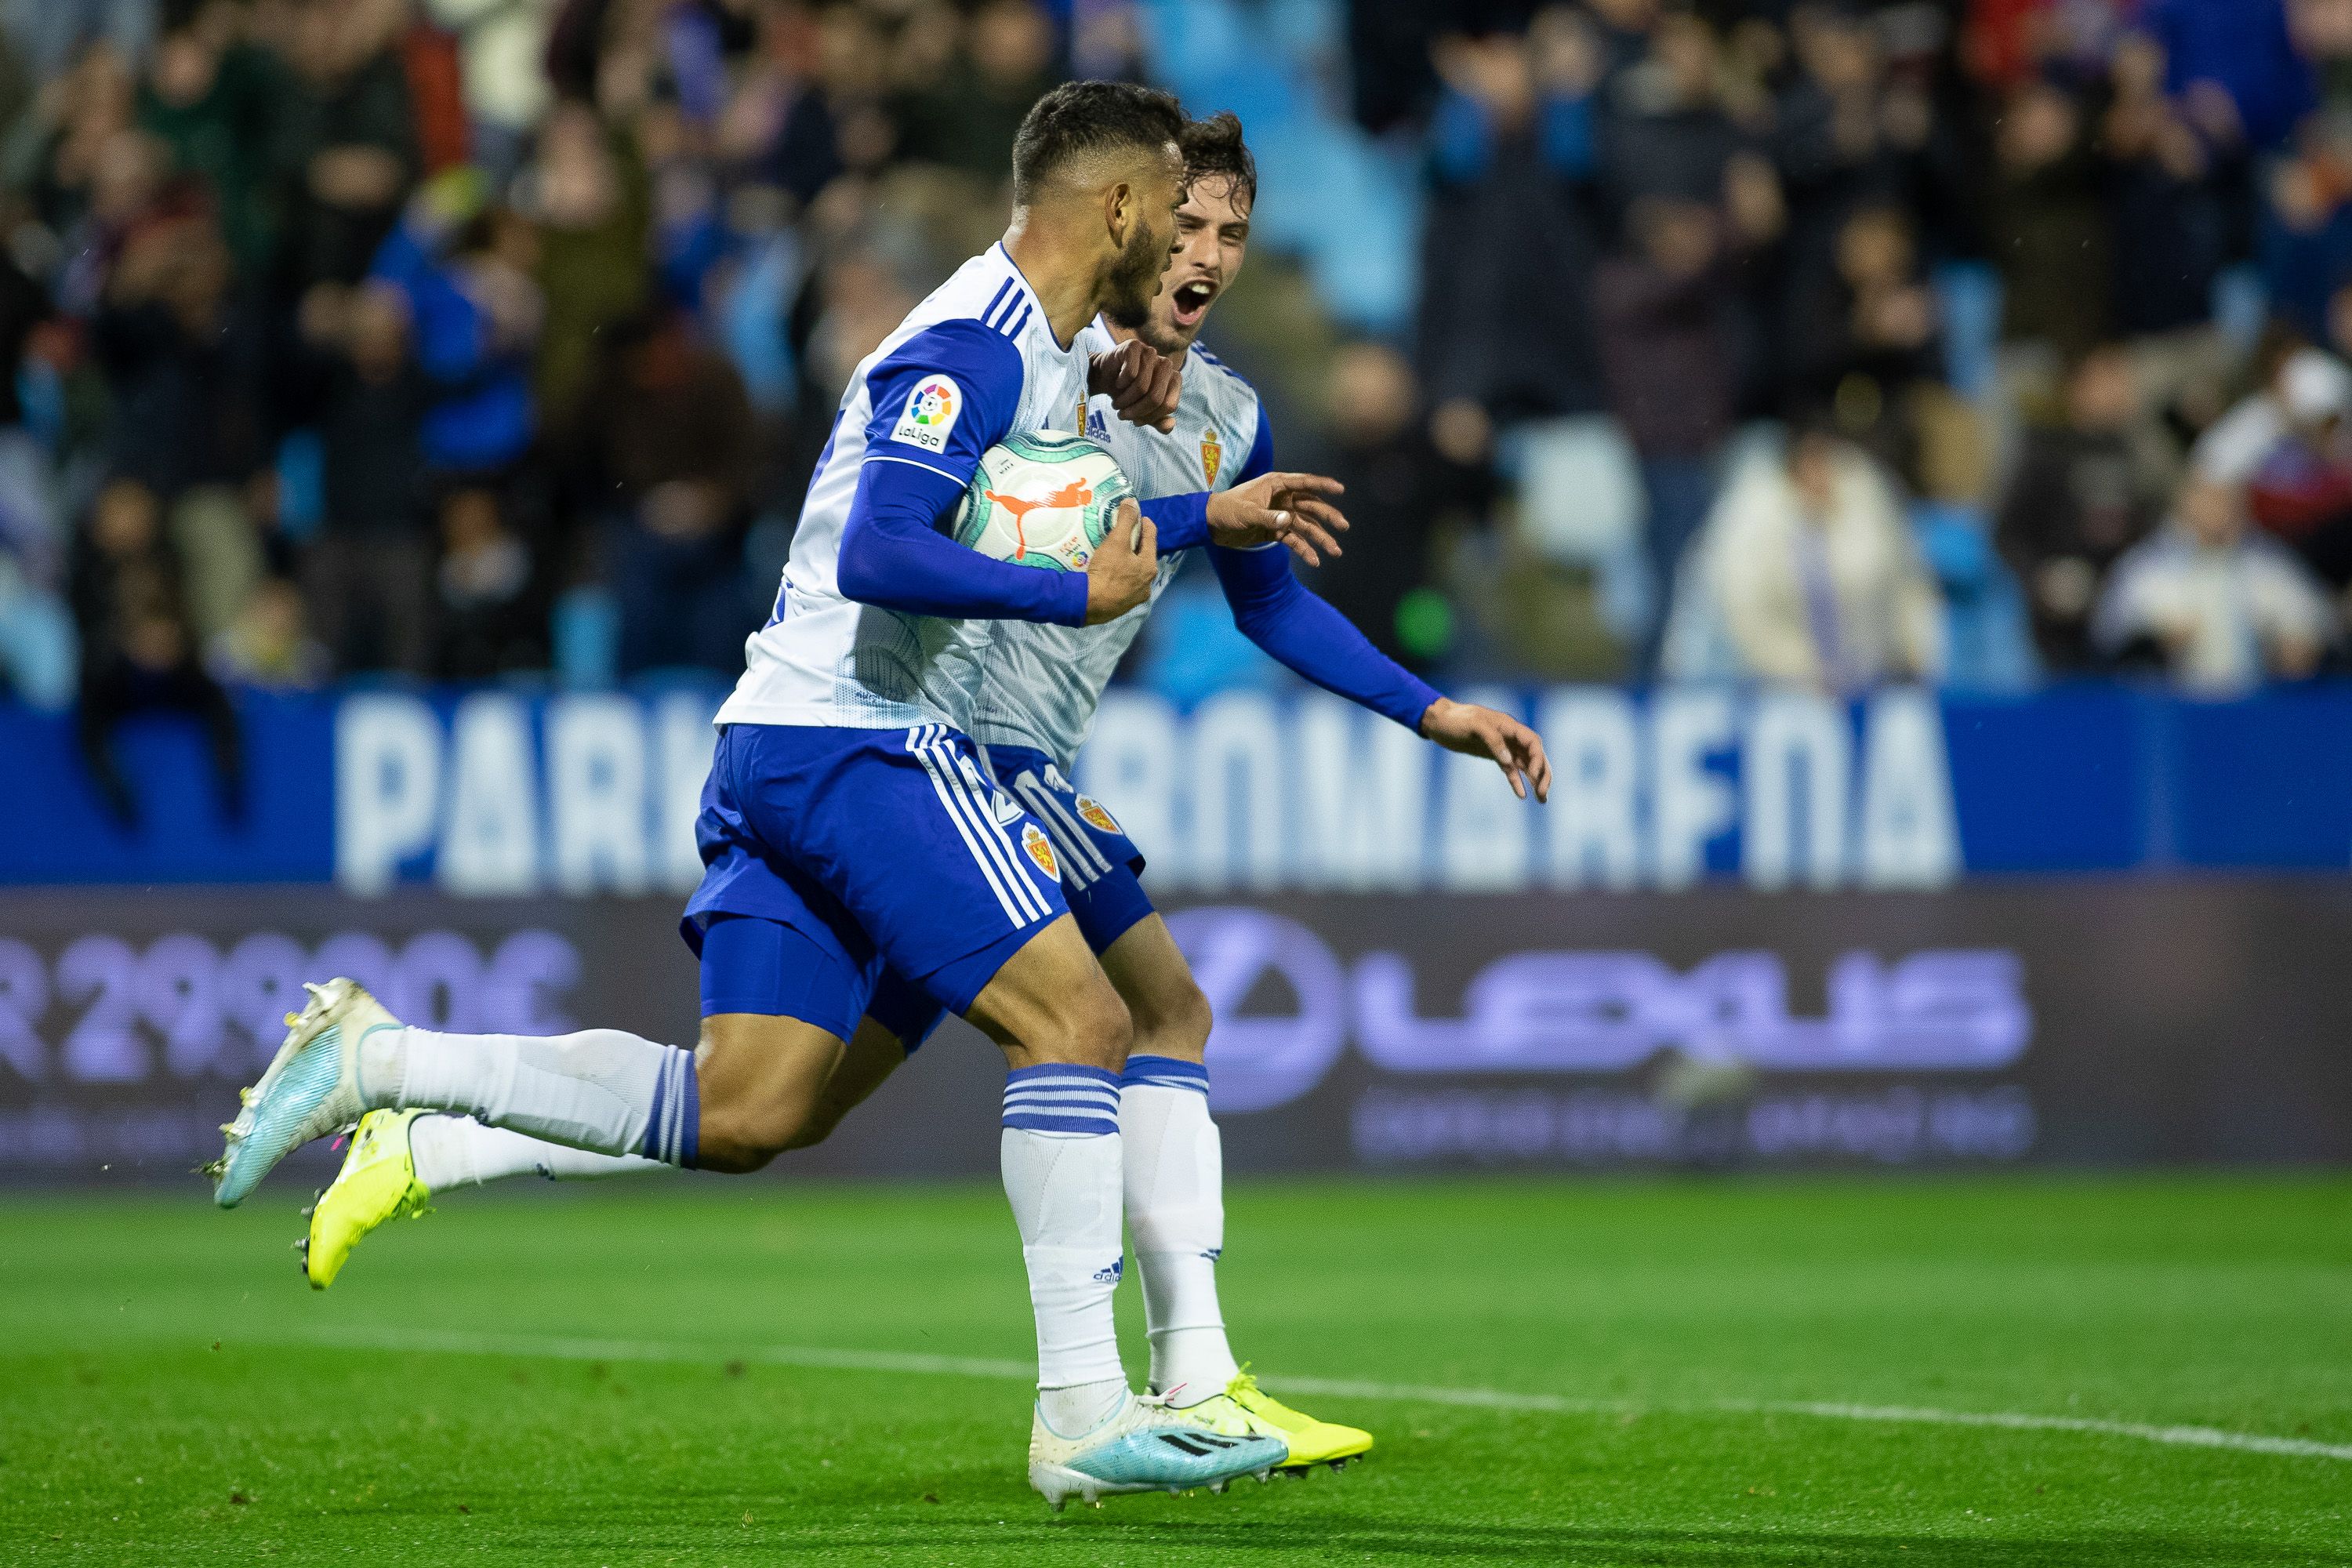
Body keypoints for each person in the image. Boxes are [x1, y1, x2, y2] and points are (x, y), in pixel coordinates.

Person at [212, 82, 1352, 1509]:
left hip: (782, 739)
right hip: (864, 743)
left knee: (751, 1113)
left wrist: (1192, 511)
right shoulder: (974, 345)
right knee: (1090, 1020)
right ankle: (1086, 1412)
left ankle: (385, 1068)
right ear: (1120, 211)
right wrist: (1075, 589)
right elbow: (883, 549)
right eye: (1172, 217)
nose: (1190, 247)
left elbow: (1038, 488)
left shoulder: (1050, 349)